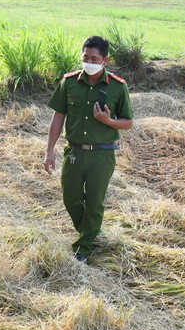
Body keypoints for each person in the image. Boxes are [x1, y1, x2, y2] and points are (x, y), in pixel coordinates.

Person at [43, 35, 133, 264]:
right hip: (74, 152)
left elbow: (128, 122)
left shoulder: (117, 87)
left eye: (94, 58)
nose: (89, 61)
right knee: (70, 197)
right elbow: (58, 117)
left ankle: (83, 247)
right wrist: (49, 150)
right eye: (85, 57)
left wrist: (108, 121)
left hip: (102, 154)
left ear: (105, 60)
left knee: (94, 201)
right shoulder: (69, 82)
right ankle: (90, 231)